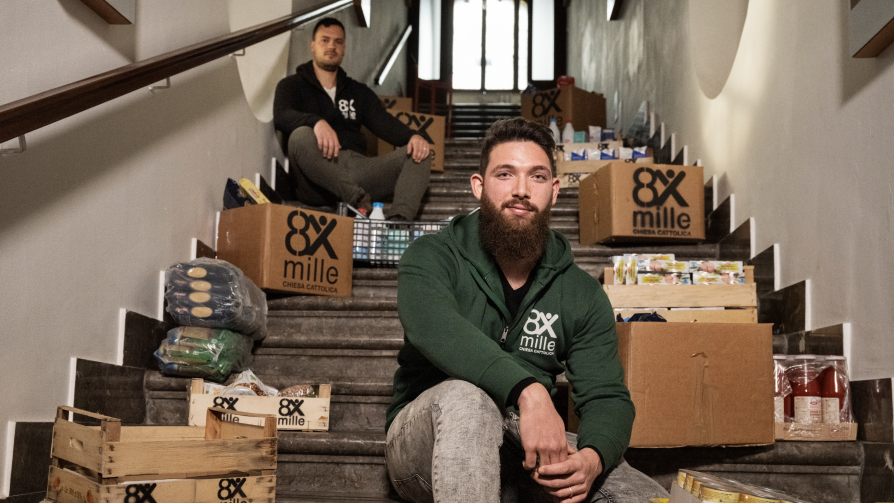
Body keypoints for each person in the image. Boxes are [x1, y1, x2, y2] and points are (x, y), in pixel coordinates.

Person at [385, 118, 668, 502]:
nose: (521, 189)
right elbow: (434, 326)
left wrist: (592, 459)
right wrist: (529, 392)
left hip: (522, 443)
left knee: (643, 494)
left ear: (554, 191)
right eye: (505, 174)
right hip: (425, 439)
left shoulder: (581, 293)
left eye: (537, 176)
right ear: (478, 186)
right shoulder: (431, 257)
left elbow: (607, 397)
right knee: (469, 400)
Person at [273, 17, 431, 220]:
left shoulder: (358, 92)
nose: (332, 46)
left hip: (358, 170)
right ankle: (357, 201)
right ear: (312, 45)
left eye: (338, 42)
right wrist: (316, 122)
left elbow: (384, 123)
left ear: (344, 48)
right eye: (325, 40)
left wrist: (413, 136)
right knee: (299, 136)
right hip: (316, 180)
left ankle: (398, 223)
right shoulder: (292, 85)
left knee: (420, 152)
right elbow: (281, 115)